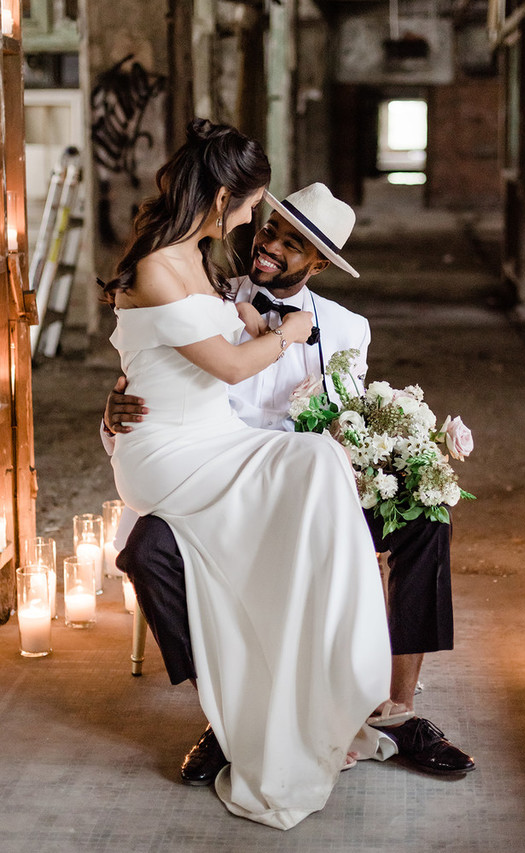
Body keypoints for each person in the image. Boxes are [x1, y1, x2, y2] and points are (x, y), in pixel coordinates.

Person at [103, 180, 475, 781]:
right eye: (268, 228)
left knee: (427, 519)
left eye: (291, 242)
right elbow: (153, 388)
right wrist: (110, 413)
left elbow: (355, 425)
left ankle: (399, 714)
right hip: (218, 486)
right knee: (146, 552)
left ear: (320, 263)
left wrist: (392, 458)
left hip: (315, 491)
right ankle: (227, 717)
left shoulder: (350, 330)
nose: (268, 245)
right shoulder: (208, 300)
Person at [99, 118, 394, 830]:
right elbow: (226, 365)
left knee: (320, 462)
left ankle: (329, 672)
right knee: (299, 479)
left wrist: (261, 324)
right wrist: (282, 335)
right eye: (253, 208)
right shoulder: (158, 265)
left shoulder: (203, 257)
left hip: (215, 437)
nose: (254, 224)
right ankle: (271, 694)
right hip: (171, 449)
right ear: (225, 194)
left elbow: (218, 341)